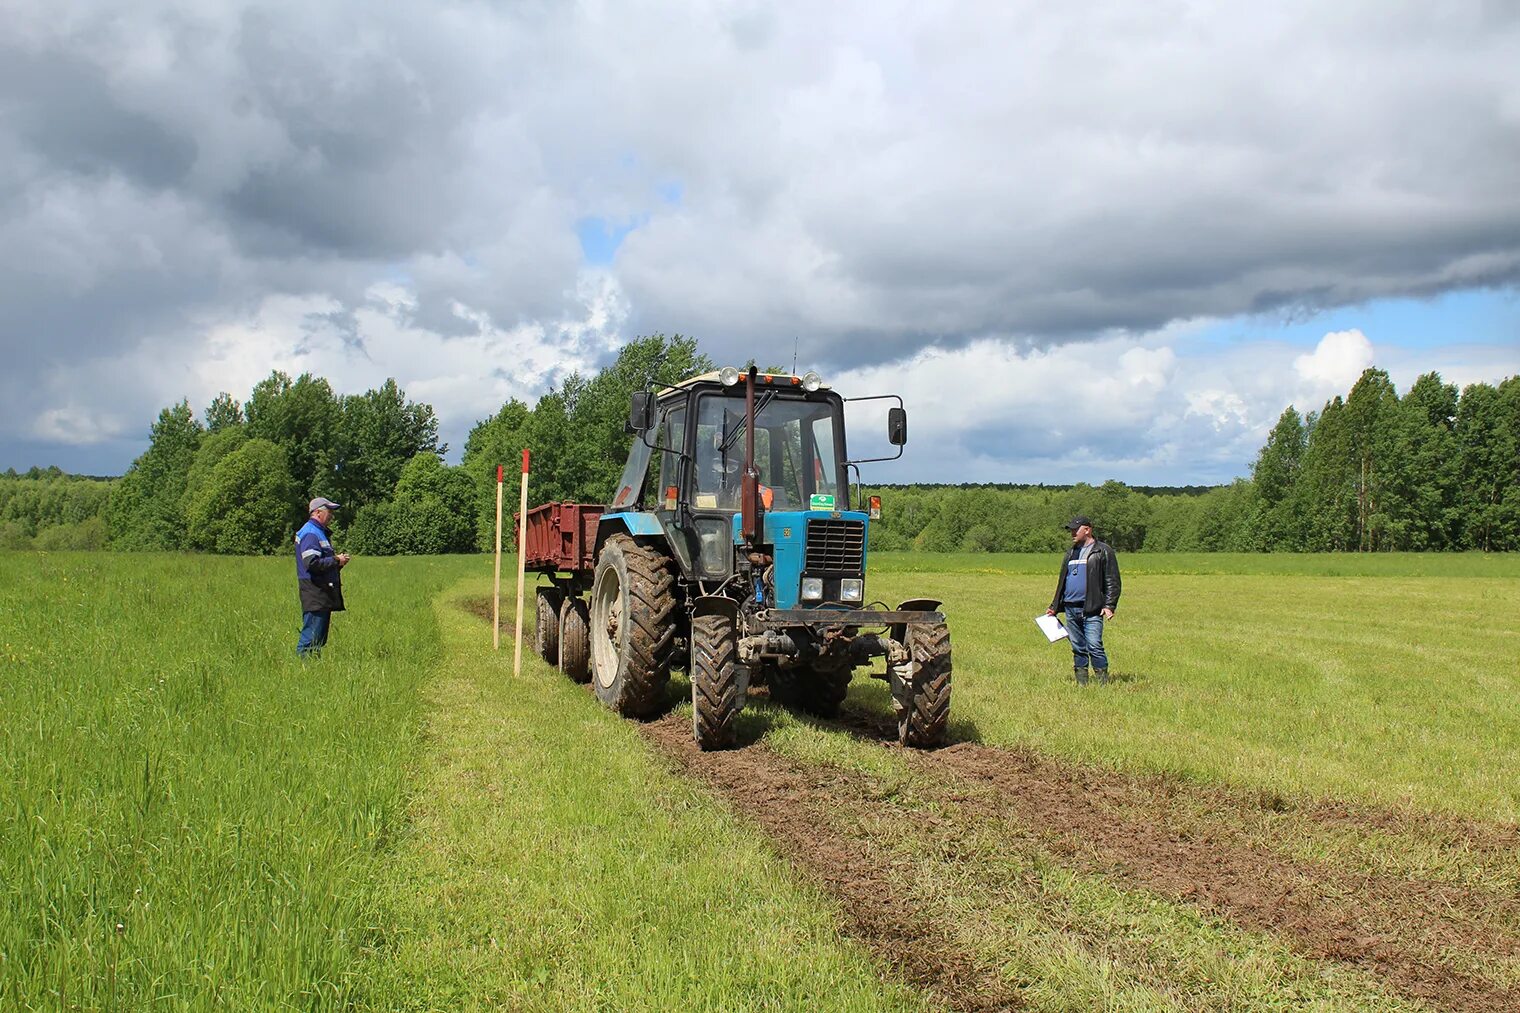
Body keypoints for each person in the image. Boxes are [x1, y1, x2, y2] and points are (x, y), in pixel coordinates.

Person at [1046, 515, 1121, 685]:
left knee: (1094, 645)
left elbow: (1112, 580)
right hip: (1071, 608)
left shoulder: (1102, 551)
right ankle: (1082, 683)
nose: (1072, 533)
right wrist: (1055, 606)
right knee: (1078, 647)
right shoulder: (1071, 552)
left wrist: (1109, 605)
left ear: (1087, 530)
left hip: (1092, 608)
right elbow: (1062, 582)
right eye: (1071, 529)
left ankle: (1103, 683)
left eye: (1075, 529)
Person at [295, 497, 349, 657]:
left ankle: (312, 669)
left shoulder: (317, 532)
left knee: (317, 638)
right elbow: (311, 563)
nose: (332, 515)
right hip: (315, 590)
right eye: (329, 511)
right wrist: (336, 559)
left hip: (321, 590)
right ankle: (303, 670)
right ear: (318, 512)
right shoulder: (311, 533)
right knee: (310, 638)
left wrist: (337, 564)